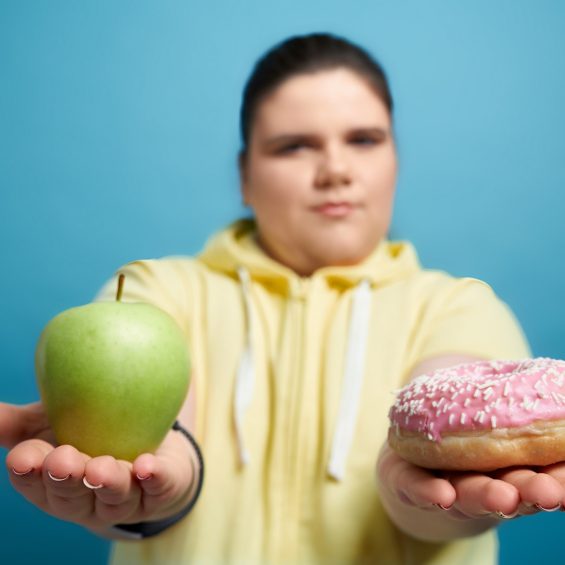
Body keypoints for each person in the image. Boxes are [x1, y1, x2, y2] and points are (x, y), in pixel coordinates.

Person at [2, 32, 565, 564]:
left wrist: (438, 493)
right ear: (245, 177)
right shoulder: (155, 291)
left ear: (397, 158)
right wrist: (153, 488)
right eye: (294, 146)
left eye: (364, 140)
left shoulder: (461, 306)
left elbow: (453, 430)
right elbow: (159, 436)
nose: (336, 171)